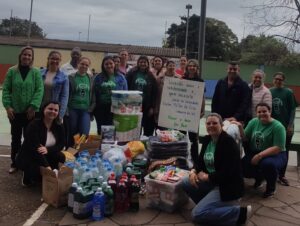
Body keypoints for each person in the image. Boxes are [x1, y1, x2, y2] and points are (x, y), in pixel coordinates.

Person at [181, 113, 248, 226]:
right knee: (186, 182)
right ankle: (211, 207)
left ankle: (239, 213)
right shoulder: (208, 140)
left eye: (215, 123)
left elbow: (228, 173)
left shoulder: (228, 143)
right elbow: (200, 163)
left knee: (196, 215)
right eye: (208, 123)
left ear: (221, 125)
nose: (211, 125)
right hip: (212, 183)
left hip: (226, 186)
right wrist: (193, 171)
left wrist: (208, 177)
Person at [2, 46, 44, 174]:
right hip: (14, 112)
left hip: (30, 113)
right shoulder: (11, 71)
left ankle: (27, 163)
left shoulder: (36, 72)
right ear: (20, 56)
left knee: (29, 138)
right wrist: (8, 106)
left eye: (29, 55)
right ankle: (15, 163)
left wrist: (33, 106)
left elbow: (39, 90)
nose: (27, 57)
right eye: (24, 54)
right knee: (15, 138)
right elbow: (6, 89)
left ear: (32, 58)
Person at [235, 102, 287, 198]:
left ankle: (271, 188)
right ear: (256, 113)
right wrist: (240, 127)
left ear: (270, 111)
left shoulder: (278, 126)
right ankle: (259, 178)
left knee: (268, 165)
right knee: (241, 166)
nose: (262, 114)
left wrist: (259, 156)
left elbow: (278, 147)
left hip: (276, 154)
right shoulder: (254, 122)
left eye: (264, 111)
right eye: (259, 112)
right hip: (257, 152)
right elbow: (245, 138)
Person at [16, 101, 65, 186]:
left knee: (61, 156)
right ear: (43, 110)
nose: (53, 111)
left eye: (56, 110)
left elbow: (61, 144)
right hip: (32, 153)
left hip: (47, 152)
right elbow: (35, 148)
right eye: (50, 108)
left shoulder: (59, 126)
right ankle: (27, 173)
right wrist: (47, 167)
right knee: (34, 177)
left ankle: (45, 170)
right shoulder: (34, 125)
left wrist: (48, 149)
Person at [270, 72, 298, 186]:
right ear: (273, 80)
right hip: (273, 127)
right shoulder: (269, 91)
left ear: (283, 81)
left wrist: (290, 125)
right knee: (271, 151)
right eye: (276, 79)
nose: (278, 81)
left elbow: (292, 110)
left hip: (286, 128)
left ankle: (282, 175)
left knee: (284, 151)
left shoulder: (288, 92)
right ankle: (272, 173)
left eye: (280, 79)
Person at [93, 56, 128, 134]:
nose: (109, 65)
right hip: (100, 108)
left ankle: (111, 146)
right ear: (103, 65)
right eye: (106, 64)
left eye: (111, 63)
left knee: (112, 131)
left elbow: (125, 92)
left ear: (114, 64)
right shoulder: (98, 77)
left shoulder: (121, 77)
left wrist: (124, 106)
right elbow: (94, 93)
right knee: (101, 130)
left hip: (115, 108)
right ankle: (101, 145)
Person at [126, 55, 157, 136]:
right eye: (141, 62)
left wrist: (152, 107)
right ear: (138, 63)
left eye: (144, 62)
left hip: (147, 107)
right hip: (133, 106)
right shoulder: (131, 74)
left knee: (148, 130)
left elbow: (154, 92)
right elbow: (126, 88)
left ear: (148, 64)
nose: (143, 64)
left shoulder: (151, 76)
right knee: (135, 129)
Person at [182, 59, 205, 165]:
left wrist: (203, 110)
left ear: (197, 68)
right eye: (190, 66)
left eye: (194, 66)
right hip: (181, 112)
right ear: (187, 68)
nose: (192, 67)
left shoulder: (200, 81)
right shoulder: (182, 79)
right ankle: (180, 158)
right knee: (180, 136)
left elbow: (202, 98)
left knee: (193, 138)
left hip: (193, 114)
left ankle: (196, 161)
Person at [68, 57, 94, 146]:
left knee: (84, 133)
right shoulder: (71, 77)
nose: (84, 66)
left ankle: (79, 152)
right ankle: (70, 152)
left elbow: (93, 94)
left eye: (86, 65)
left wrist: (92, 107)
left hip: (85, 110)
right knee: (72, 132)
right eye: (82, 64)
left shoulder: (90, 78)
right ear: (78, 64)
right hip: (73, 109)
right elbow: (67, 93)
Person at [41, 50, 69, 122]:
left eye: (57, 59)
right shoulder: (39, 73)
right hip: (40, 108)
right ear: (48, 59)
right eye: (52, 58)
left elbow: (64, 97)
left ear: (60, 61)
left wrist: (60, 114)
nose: (55, 61)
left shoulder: (64, 77)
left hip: (53, 111)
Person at [154, 60, 180, 127]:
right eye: (170, 65)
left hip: (173, 109)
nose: (172, 67)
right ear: (166, 67)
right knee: (160, 130)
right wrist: (156, 108)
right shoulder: (159, 79)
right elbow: (155, 94)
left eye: (173, 66)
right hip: (161, 108)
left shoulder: (179, 79)